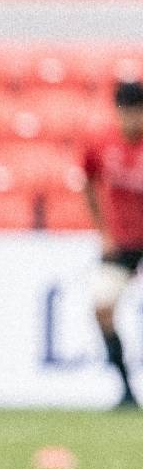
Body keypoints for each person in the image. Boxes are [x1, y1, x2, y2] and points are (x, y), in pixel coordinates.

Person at [81, 80, 143, 410]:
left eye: (136, 112)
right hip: (121, 242)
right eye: (125, 112)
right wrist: (103, 231)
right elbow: (88, 182)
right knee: (102, 308)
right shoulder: (102, 144)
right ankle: (126, 388)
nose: (130, 119)